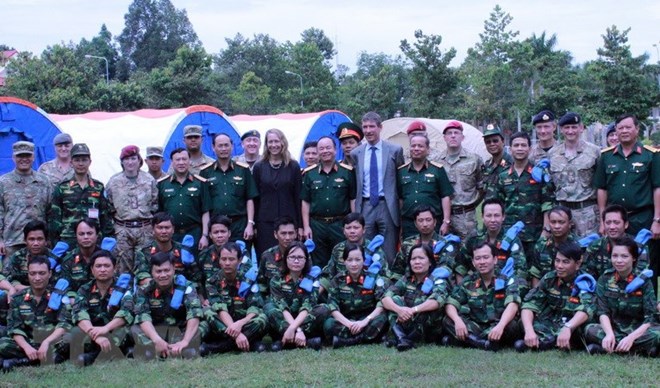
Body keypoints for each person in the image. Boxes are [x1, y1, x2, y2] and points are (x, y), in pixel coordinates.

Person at [594, 114, 659, 291]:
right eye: (620, 128)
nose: (624, 131)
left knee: (647, 265)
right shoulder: (607, 157)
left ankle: (648, 309)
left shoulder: (650, 156)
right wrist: (602, 220)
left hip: (642, 219)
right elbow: (601, 189)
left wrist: (657, 220)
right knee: (616, 262)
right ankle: (618, 305)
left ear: (637, 129)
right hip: (615, 221)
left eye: (628, 127)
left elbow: (657, 188)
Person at [585, 236, 660, 356]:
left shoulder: (643, 281)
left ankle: (607, 348)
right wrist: (609, 334)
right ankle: (642, 350)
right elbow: (602, 312)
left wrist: (630, 338)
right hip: (614, 329)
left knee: (657, 334)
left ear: (634, 258)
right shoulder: (604, 279)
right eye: (615, 256)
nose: (619, 260)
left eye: (624, 256)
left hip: (639, 331)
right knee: (589, 329)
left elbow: (650, 318)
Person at [486, 131, 554, 260]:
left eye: (523, 145)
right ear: (510, 149)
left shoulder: (538, 173)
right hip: (509, 233)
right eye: (516, 145)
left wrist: (546, 230)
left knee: (535, 268)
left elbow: (548, 202)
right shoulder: (503, 176)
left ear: (530, 148)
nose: (520, 149)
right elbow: (497, 205)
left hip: (535, 232)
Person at [517, 241, 595, 352]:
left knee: (587, 330)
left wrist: (568, 327)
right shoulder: (550, 278)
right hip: (552, 323)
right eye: (557, 261)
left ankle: (544, 343)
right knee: (524, 322)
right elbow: (529, 304)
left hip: (573, 325)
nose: (559, 266)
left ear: (577, 264)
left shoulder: (584, 281)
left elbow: (587, 309)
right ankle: (547, 342)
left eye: (565, 262)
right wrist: (529, 331)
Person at [443, 242, 521, 350]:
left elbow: (513, 304)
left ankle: (467, 341)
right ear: (473, 262)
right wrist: (457, 321)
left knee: (512, 325)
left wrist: (500, 326)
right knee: (448, 320)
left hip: (499, 325)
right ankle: (483, 343)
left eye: (486, 257)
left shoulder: (507, 279)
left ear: (495, 259)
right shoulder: (468, 281)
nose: (482, 262)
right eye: (478, 258)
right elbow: (450, 303)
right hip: (477, 327)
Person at [350, 112, 404, 264]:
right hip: (365, 205)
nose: (368, 130)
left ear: (380, 128)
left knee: (389, 249)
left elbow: (400, 179)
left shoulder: (395, 150)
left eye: (372, 126)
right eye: (365, 127)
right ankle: (367, 283)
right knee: (365, 248)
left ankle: (388, 282)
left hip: (387, 205)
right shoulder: (356, 153)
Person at [0, 255, 71, 371]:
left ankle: (22, 361)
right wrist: (26, 347)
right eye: (33, 274)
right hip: (28, 341)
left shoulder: (59, 295)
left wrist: (46, 342)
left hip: (53, 341)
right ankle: (47, 359)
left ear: (50, 273)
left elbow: (64, 324)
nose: (37, 278)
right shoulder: (18, 298)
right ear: (28, 274)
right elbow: (14, 328)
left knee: (71, 339)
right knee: (3, 344)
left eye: (42, 273)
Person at [131, 251, 206, 360]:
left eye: (167, 270)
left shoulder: (186, 286)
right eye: (158, 271)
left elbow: (194, 314)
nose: (163, 275)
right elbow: (143, 317)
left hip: (181, 332)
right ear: (151, 272)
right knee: (134, 328)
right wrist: (157, 340)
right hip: (156, 333)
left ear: (174, 269)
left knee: (203, 324)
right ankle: (173, 351)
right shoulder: (144, 290)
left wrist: (185, 341)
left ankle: (162, 352)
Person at [70, 250, 134, 366]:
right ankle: (106, 353)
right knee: (73, 333)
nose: (103, 269)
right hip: (93, 332)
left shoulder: (124, 287)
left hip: (115, 330)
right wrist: (95, 334)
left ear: (114, 268)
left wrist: (105, 328)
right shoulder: (84, 289)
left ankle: (100, 354)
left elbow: (126, 312)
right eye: (98, 266)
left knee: (129, 331)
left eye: (107, 266)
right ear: (92, 270)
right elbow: (79, 313)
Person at [381, 243, 449, 351]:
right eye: (413, 259)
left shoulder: (437, 279)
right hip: (410, 323)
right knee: (393, 301)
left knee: (423, 304)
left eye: (421, 258)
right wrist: (399, 310)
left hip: (429, 329)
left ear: (430, 261)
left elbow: (437, 301)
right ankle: (402, 338)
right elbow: (385, 297)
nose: (417, 262)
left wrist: (412, 310)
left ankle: (402, 339)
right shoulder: (407, 279)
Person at [202, 242, 267, 354]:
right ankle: (247, 342)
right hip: (224, 322)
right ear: (219, 260)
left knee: (262, 318)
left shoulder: (247, 280)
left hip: (243, 322)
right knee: (208, 312)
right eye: (224, 259)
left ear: (240, 260)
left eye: (231, 259)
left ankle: (221, 346)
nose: (227, 263)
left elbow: (254, 307)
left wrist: (241, 323)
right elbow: (220, 309)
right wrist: (237, 334)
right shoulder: (211, 282)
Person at [301, 136, 356, 267]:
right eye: (321, 148)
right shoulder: (309, 174)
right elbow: (305, 202)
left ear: (335, 150)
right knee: (318, 261)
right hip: (317, 225)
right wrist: (306, 226)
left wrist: (353, 224)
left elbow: (352, 199)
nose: (325, 151)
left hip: (340, 224)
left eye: (328, 147)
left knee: (341, 259)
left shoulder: (347, 172)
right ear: (318, 152)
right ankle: (320, 287)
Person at [323, 243, 389, 348]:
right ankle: (368, 337)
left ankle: (350, 340)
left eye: (358, 260)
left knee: (383, 318)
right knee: (329, 324)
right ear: (344, 262)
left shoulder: (373, 278)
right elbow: (332, 307)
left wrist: (364, 322)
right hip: (346, 320)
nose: (354, 264)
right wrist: (349, 324)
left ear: (364, 260)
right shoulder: (337, 280)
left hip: (367, 319)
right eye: (350, 260)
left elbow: (381, 303)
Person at [48, 143, 114, 246]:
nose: (81, 164)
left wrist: (106, 241)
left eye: (84, 160)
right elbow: (55, 219)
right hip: (68, 240)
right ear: (71, 163)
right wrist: (56, 243)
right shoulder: (62, 188)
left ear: (90, 162)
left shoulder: (98, 187)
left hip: (93, 240)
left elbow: (105, 217)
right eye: (77, 160)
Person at [106, 145, 158, 275]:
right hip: (123, 230)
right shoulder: (114, 182)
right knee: (123, 268)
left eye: (133, 158)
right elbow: (108, 206)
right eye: (126, 159)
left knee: (145, 265)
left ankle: (143, 293)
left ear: (139, 161)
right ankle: (125, 293)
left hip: (145, 229)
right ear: (122, 162)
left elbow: (155, 204)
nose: (130, 162)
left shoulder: (149, 180)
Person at [263, 241, 324, 351]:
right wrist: (297, 330)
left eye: (300, 257)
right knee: (269, 308)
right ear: (286, 259)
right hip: (285, 319)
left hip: (303, 318)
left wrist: (293, 328)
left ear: (306, 260)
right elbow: (283, 308)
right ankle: (303, 341)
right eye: (292, 257)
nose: (296, 261)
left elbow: (307, 307)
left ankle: (287, 341)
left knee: (323, 308)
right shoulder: (276, 279)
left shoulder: (312, 278)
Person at [547, 112, 601, 237]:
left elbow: (601, 185)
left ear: (581, 128)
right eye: (567, 127)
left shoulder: (594, 152)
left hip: (587, 213)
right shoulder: (553, 154)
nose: (570, 131)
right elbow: (550, 186)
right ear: (561, 129)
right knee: (564, 252)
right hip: (561, 214)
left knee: (588, 251)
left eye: (574, 127)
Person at [456, 198, 528, 290]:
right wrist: (461, 290)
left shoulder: (511, 239)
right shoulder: (473, 239)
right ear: (482, 217)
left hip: (506, 286)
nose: (493, 220)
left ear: (503, 217)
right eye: (489, 216)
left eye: (497, 215)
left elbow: (520, 270)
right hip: (479, 288)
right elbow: (460, 266)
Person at [200, 133, 258, 245]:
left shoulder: (243, 170)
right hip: (216, 227)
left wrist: (250, 224)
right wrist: (205, 234)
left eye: (226, 145)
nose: (223, 149)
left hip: (239, 225)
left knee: (242, 259)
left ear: (232, 146)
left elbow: (250, 199)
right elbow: (205, 205)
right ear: (213, 147)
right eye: (220, 146)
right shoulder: (206, 172)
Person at [252, 128, 302, 257]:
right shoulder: (259, 167)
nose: (273, 145)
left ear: (283, 143)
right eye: (270, 142)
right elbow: (255, 198)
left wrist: (300, 225)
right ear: (266, 144)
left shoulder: (293, 166)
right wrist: (253, 224)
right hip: (265, 222)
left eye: (276, 141)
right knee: (266, 257)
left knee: (289, 256)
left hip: (288, 223)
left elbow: (298, 198)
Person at [0, 141, 51, 259]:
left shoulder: (44, 181)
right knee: (11, 276)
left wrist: (48, 239)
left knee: (39, 275)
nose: (24, 159)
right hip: (13, 241)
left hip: (39, 242)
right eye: (20, 156)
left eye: (27, 156)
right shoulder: (3, 182)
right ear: (13, 158)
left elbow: (50, 212)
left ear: (33, 157)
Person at [397, 133, 453, 239]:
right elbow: (400, 199)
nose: (416, 148)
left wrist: (446, 222)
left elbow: (445, 196)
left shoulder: (437, 170)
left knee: (433, 253)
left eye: (420, 146)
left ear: (428, 150)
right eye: (413, 146)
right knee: (410, 253)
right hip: (409, 224)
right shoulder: (401, 171)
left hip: (432, 223)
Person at [158, 148, 211, 253]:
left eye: (184, 159)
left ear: (189, 161)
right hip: (171, 235)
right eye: (177, 160)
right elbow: (159, 213)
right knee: (170, 265)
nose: (181, 162)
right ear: (172, 163)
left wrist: (205, 235)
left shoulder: (200, 183)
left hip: (194, 233)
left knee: (194, 266)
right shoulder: (162, 184)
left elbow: (206, 211)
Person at [438, 120, 484, 241]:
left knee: (469, 252)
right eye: (449, 133)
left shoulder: (474, 159)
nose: (453, 135)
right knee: (443, 252)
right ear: (444, 138)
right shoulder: (436, 161)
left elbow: (481, 187)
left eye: (456, 132)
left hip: (466, 217)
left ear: (462, 137)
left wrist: (470, 204)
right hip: (442, 217)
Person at [320, 212, 387, 291]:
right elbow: (328, 274)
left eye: (356, 227)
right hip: (342, 294)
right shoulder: (338, 249)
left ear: (364, 230)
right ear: (343, 231)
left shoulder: (374, 249)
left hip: (368, 294)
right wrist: (316, 296)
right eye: (348, 228)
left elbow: (384, 276)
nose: (352, 231)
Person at [133, 212, 202, 289]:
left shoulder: (183, 250)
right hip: (153, 293)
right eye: (160, 228)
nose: (164, 231)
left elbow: (196, 277)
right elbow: (142, 278)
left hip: (181, 291)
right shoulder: (143, 252)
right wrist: (165, 284)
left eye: (167, 227)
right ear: (153, 230)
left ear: (173, 229)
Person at [392, 206, 458, 281]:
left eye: (428, 220)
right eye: (420, 220)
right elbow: (397, 272)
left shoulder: (445, 244)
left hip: (437, 285)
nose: (425, 224)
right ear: (415, 224)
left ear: (435, 222)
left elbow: (446, 269)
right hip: (410, 286)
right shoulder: (408, 243)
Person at [583, 204, 649, 279]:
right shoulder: (594, 246)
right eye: (608, 223)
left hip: (631, 287)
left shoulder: (637, 246)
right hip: (601, 288)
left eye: (616, 222)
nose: (612, 227)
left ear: (626, 224)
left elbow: (641, 274)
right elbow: (587, 274)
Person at [529, 206, 579, 288]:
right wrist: (537, 294)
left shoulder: (578, 246)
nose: (557, 226)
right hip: (544, 292)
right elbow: (535, 274)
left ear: (570, 224)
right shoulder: (541, 245)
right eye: (553, 222)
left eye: (561, 222)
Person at [3, 221, 54, 293]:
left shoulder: (54, 258)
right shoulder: (18, 256)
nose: (36, 243)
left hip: (47, 293)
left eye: (39, 239)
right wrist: (28, 289)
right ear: (25, 240)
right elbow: (10, 278)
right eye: (31, 239)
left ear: (46, 241)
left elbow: (56, 282)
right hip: (21, 292)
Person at [59, 218, 103, 293]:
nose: (85, 237)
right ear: (76, 236)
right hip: (75, 301)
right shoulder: (68, 260)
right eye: (81, 234)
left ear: (97, 236)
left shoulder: (105, 259)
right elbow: (65, 287)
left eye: (89, 233)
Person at [257, 216, 297, 297]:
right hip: (272, 303)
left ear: (296, 233)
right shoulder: (267, 256)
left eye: (291, 233)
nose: (287, 237)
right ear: (275, 234)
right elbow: (261, 285)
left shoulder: (303, 255)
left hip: (297, 301)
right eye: (283, 233)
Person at [481, 125, 512, 195]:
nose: (492, 144)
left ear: (503, 141)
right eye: (488, 142)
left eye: (495, 141)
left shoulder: (512, 163)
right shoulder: (487, 165)